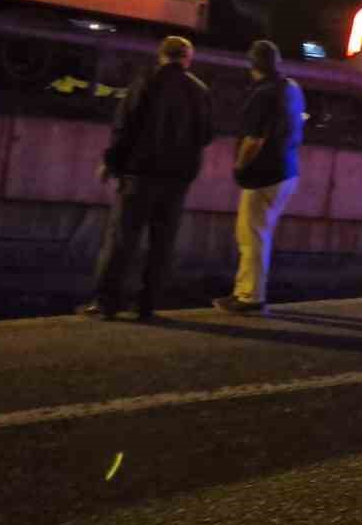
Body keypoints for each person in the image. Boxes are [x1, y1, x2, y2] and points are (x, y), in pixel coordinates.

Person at [80, 35, 212, 321]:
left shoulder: (146, 82)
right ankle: (146, 304)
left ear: (161, 55)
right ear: (187, 58)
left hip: (140, 175)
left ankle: (107, 302)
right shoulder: (199, 91)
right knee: (161, 243)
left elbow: (125, 126)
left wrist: (110, 162)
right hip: (176, 181)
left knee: (122, 239)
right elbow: (205, 135)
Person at [213, 38, 305, 315]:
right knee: (258, 235)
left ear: (252, 65)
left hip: (263, 175)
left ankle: (250, 298)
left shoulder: (262, 93)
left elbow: (254, 139)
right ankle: (245, 292)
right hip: (287, 172)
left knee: (250, 237)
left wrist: (239, 167)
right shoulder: (292, 88)